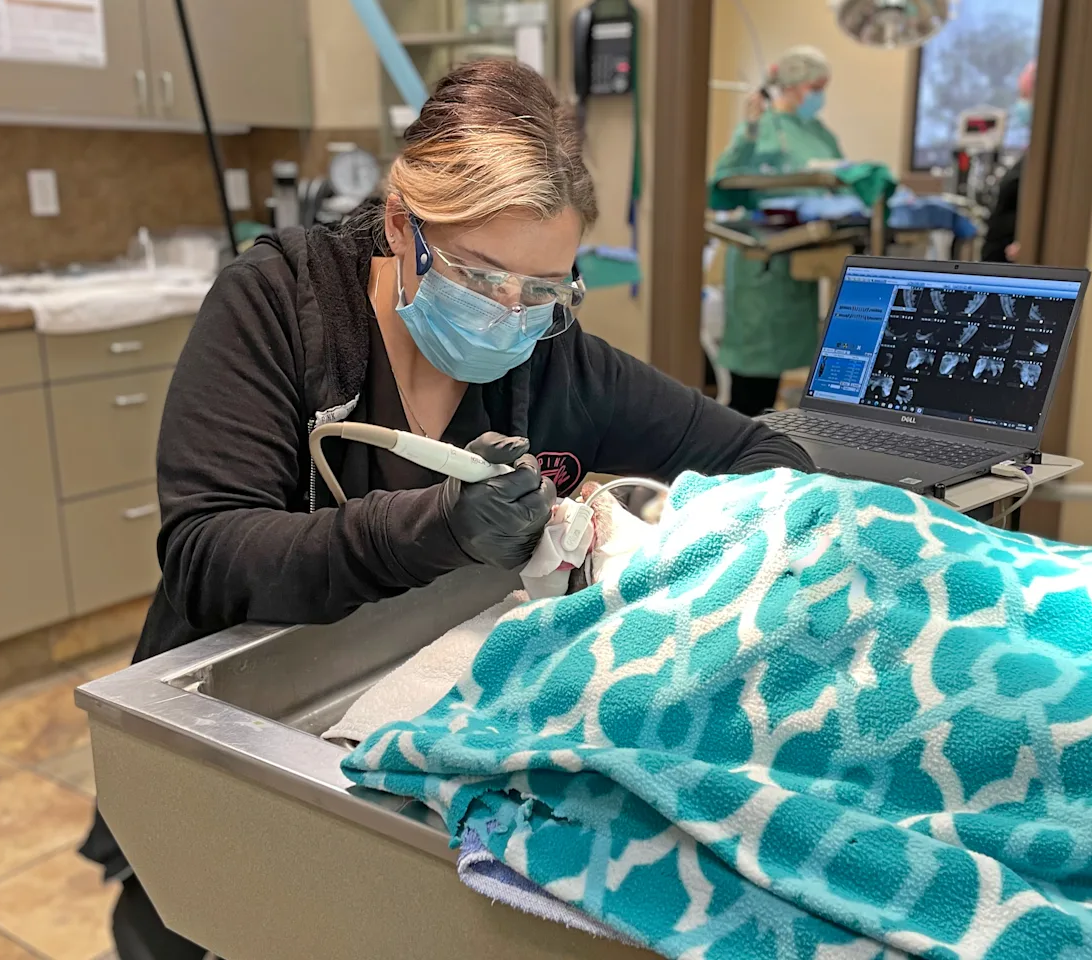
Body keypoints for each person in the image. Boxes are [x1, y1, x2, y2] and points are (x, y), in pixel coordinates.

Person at [81, 58, 811, 958]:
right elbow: (207, 551)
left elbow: (757, 455)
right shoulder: (281, 305)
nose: (511, 314)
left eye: (545, 289)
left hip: (404, 749)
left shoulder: (552, 355)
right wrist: (437, 529)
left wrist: (661, 549)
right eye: (479, 277)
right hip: (230, 740)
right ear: (402, 227)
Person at [712, 45, 843, 418]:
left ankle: (772, 448)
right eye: (816, 86)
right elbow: (724, 179)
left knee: (786, 368)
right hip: (763, 259)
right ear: (792, 84)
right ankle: (736, 459)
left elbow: (836, 178)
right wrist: (750, 129)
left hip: (801, 258)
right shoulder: (760, 127)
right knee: (753, 383)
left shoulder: (818, 132)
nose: (820, 95)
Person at [982, 60, 1035, 264]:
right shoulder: (1031, 154)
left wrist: (1027, 242)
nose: (1022, 105)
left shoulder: (1055, 156)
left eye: (1025, 97)